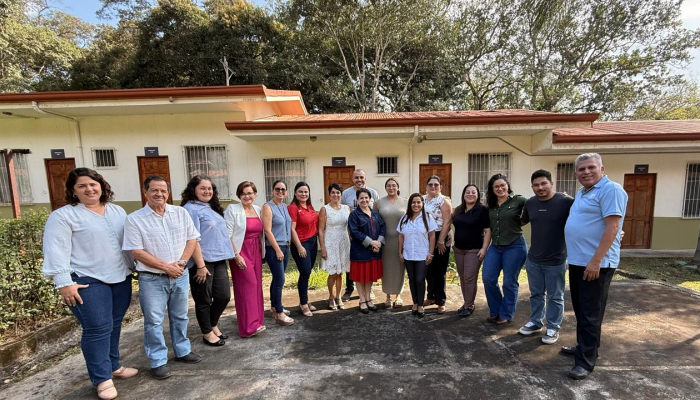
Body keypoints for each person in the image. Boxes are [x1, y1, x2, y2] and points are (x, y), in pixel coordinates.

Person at [42, 168, 137, 400]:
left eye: (93, 184)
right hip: (86, 280)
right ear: (73, 191)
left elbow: (127, 243)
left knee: (114, 324)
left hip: (120, 277)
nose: (89, 189)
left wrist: (135, 267)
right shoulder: (64, 216)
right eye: (82, 186)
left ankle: (114, 366)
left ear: (102, 186)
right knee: (97, 328)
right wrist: (64, 283)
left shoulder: (116, 211)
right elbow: (55, 249)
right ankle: (102, 378)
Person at [123, 175, 201, 380]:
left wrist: (181, 263)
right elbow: (136, 251)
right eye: (154, 190)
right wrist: (166, 267)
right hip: (152, 278)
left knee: (180, 316)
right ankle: (158, 361)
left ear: (168, 193)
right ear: (145, 192)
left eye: (163, 190)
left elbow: (192, 239)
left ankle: (182, 351)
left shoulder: (180, 213)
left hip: (180, 274)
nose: (159, 194)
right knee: (154, 322)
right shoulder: (134, 219)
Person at [562, 153, 627, 380]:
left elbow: (613, 226)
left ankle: (585, 362)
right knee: (582, 309)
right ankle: (584, 347)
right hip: (578, 261)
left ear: (602, 169)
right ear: (576, 173)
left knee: (591, 312)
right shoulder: (584, 192)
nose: (586, 172)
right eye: (581, 169)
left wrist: (596, 260)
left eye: (591, 167)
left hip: (595, 263)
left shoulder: (611, 189)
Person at [518, 170, 574, 344]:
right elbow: (521, 221)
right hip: (534, 259)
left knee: (555, 297)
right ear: (532, 187)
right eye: (536, 185)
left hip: (556, 260)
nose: (540, 188)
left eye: (543, 183)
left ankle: (553, 327)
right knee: (536, 294)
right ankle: (536, 322)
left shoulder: (566, 202)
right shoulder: (530, 203)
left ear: (551, 183)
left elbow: (586, 217)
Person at [181, 175, 233, 346]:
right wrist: (200, 265)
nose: (207, 191)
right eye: (202, 188)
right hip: (202, 261)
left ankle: (212, 323)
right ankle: (207, 332)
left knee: (223, 296)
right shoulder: (190, 209)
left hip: (218, 258)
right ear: (193, 190)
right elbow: (192, 239)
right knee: (203, 298)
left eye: (209, 188)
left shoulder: (211, 207)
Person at [482, 173, 528, 325]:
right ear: (492, 189)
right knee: (488, 278)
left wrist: (557, 197)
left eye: (502, 185)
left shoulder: (518, 200)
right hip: (495, 246)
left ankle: (506, 313)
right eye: (496, 186)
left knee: (509, 282)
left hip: (515, 245)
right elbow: (488, 229)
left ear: (508, 185)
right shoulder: (490, 205)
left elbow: (536, 205)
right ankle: (495, 310)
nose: (500, 188)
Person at [224, 181, 267, 337]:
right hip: (241, 251)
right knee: (247, 286)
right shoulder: (232, 209)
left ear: (255, 194)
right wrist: (236, 256)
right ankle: (248, 327)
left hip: (256, 251)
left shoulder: (258, 209)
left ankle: (257, 322)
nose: (247, 196)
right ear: (239, 195)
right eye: (243, 193)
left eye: (250, 193)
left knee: (257, 286)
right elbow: (227, 235)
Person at [451, 184, 491, 318]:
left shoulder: (482, 210)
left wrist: (484, 249)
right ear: (463, 195)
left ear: (478, 195)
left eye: (473, 192)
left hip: (474, 249)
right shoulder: (459, 210)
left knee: (469, 277)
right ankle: (466, 302)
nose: (470, 194)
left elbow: (487, 231)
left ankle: (469, 305)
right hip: (458, 249)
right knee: (463, 277)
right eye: (467, 192)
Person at [341, 169, 379, 302]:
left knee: (369, 262)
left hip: (369, 233)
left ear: (365, 178)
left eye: (361, 177)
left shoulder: (373, 192)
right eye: (356, 177)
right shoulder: (346, 194)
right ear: (352, 179)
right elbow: (342, 211)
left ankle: (369, 290)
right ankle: (349, 289)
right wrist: (349, 233)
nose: (359, 180)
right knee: (353, 262)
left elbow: (376, 212)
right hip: (352, 233)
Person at [397, 193, 437, 318]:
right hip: (408, 254)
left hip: (422, 254)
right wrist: (400, 252)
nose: (416, 205)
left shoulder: (427, 218)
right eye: (413, 202)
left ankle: (420, 304)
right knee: (412, 279)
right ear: (410, 204)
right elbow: (401, 236)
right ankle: (415, 303)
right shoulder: (404, 218)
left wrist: (431, 253)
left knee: (420, 279)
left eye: (418, 202)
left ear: (422, 204)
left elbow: (432, 235)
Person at [261, 180, 295, 326]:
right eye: (277, 189)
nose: (280, 192)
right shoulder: (267, 207)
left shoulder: (284, 207)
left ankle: (274, 307)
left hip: (285, 246)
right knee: (280, 279)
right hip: (275, 247)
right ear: (272, 191)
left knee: (277, 279)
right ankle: (280, 313)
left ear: (286, 192)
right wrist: (277, 249)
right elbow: (267, 230)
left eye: (283, 189)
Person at [348, 188, 386, 314]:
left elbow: (383, 227)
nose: (364, 200)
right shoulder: (354, 215)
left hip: (374, 251)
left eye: (366, 198)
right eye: (361, 198)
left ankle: (368, 299)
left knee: (369, 276)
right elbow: (354, 232)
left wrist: (379, 242)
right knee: (360, 277)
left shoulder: (376, 213)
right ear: (357, 200)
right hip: (360, 251)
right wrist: (371, 242)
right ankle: (362, 300)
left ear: (370, 199)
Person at [374, 178, 407, 308]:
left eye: (394, 185)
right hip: (385, 240)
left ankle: (398, 295)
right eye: (389, 185)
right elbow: (375, 221)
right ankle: (387, 296)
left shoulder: (405, 202)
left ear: (397, 187)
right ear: (385, 188)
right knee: (386, 267)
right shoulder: (378, 203)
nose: (391, 188)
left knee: (400, 267)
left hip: (401, 240)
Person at [318, 183, 351, 310]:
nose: (335, 195)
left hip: (343, 242)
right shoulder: (324, 209)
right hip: (330, 243)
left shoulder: (346, 208)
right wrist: (323, 248)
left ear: (341, 195)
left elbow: (349, 227)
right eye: (333, 192)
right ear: (329, 194)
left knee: (340, 272)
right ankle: (331, 297)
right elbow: (320, 230)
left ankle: (338, 297)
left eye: (338, 192)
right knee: (333, 273)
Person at [288, 182, 319, 317]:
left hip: (313, 242)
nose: (303, 194)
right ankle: (303, 304)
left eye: (306, 192)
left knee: (307, 273)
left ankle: (305, 300)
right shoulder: (293, 208)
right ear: (295, 193)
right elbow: (292, 229)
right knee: (305, 272)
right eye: (300, 191)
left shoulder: (309, 206)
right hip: (301, 244)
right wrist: (299, 246)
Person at [423, 175, 453, 314]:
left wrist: (441, 240)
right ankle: (431, 297)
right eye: (430, 184)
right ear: (426, 186)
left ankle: (440, 301)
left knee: (439, 271)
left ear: (440, 187)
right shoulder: (422, 199)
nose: (433, 187)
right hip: (425, 238)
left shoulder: (444, 201)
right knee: (428, 269)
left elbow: (447, 222)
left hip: (441, 236)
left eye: (436, 184)